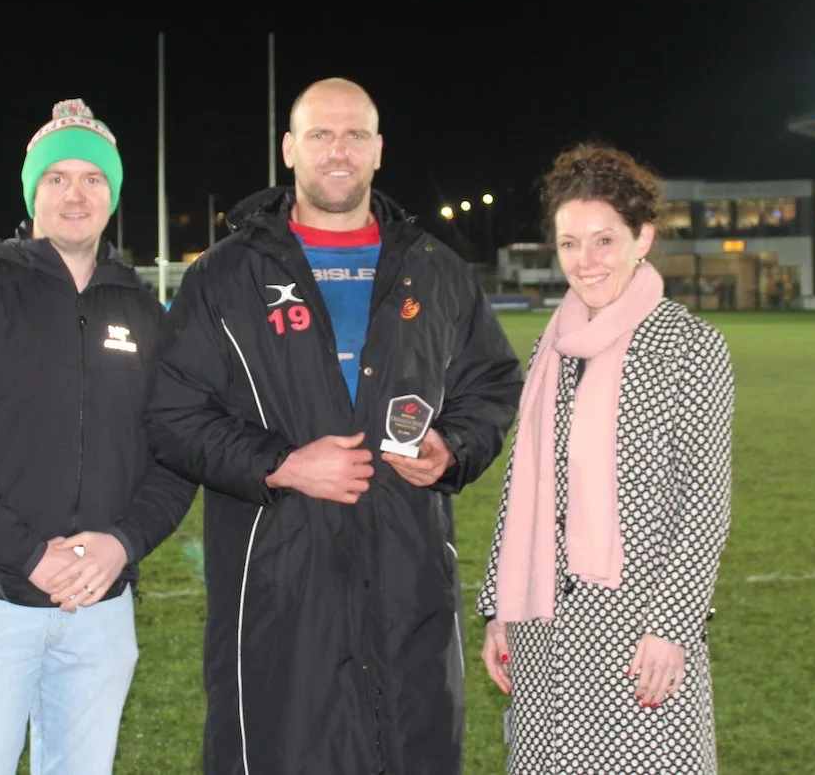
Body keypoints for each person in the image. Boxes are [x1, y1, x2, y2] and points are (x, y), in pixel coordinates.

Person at [145, 78, 523, 774]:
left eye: (354, 135)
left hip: (410, 593)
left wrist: (453, 448)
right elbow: (171, 415)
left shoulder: (435, 271)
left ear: (379, 150)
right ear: (289, 149)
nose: (338, 151)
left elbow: (494, 384)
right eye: (320, 135)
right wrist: (280, 463)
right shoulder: (226, 276)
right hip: (279, 597)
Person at [0, 99, 197, 775]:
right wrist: (30, 555)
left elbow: (178, 452)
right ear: (33, 191)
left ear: (113, 195)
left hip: (101, 606)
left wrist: (121, 545)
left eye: (92, 178)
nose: (74, 194)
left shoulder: (144, 313)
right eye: (56, 177)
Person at [478, 143, 735, 774]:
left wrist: (672, 627)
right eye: (570, 244)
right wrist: (500, 611)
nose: (585, 261)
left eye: (603, 240)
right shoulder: (553, 344)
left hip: (637, 635)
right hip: (543, 631)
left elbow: (703, 502)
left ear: (641, 238)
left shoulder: (689, 347)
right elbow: (523, 487)